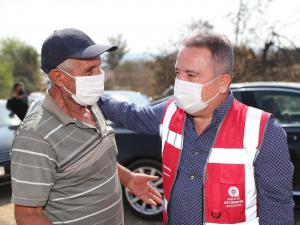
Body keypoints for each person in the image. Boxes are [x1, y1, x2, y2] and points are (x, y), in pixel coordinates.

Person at [98, 32, 294, 224]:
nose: (181, 82)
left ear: (222, 82)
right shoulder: (169, 112)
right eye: (177, 73)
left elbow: (277, 209)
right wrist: (90, 95)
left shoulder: (263, 131)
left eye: (191, 75)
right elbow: (130, 114)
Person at [11, 28, 162, 225]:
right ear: (58, 77)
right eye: (89, 70)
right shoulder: (35, 136)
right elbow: (27, 216)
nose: (99, 75)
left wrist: (128, 178)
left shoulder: (91, 104)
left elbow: (88, 161)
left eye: (99, 67)